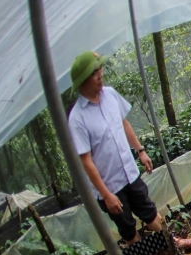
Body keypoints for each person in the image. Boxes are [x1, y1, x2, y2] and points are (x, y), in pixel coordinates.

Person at [67, 51, 163, 244]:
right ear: (83, 81)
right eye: (95, 73)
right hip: (110, 186)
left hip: (129, 172)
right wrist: (106, 195)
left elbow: (124, 123)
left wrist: (140, 150)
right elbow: (86, 162)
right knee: (127, 229)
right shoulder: (77, 118)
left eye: (100, 69)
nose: (100, 75)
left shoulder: (110, 95)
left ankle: (172, 243)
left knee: (150, 212)